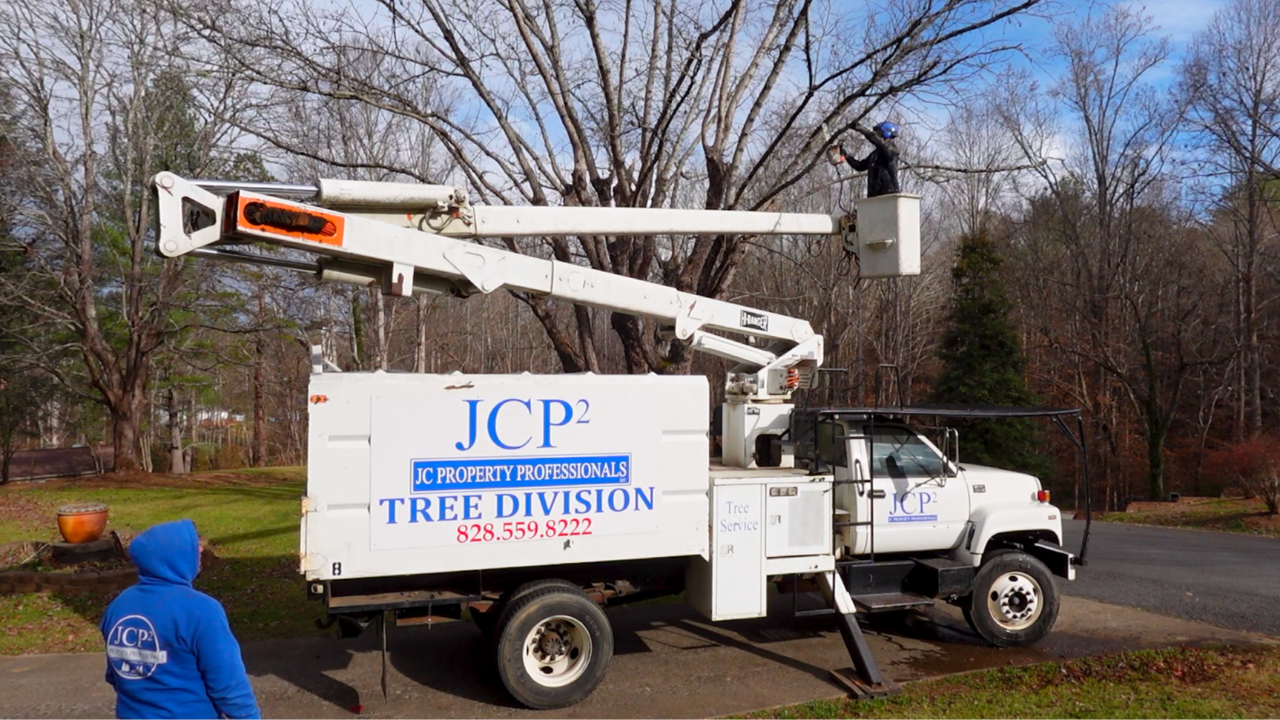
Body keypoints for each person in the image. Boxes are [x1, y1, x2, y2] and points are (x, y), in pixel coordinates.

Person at [101, 519, 261, 720]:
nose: (201, 551)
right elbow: (228, 683)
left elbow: (115, 674)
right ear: (174, 557)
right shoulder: (202, 611)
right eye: (194, 548)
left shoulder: (119, 605)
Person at [837, 121, 901, 197]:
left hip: (888, 194)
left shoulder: (892, 150)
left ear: (886, 133)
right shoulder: (875, 155)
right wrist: (846, 154)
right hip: (873, 195)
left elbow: (879, 143)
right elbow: (860, 166)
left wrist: (860, 128)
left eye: (878, 133)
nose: (876, 135)